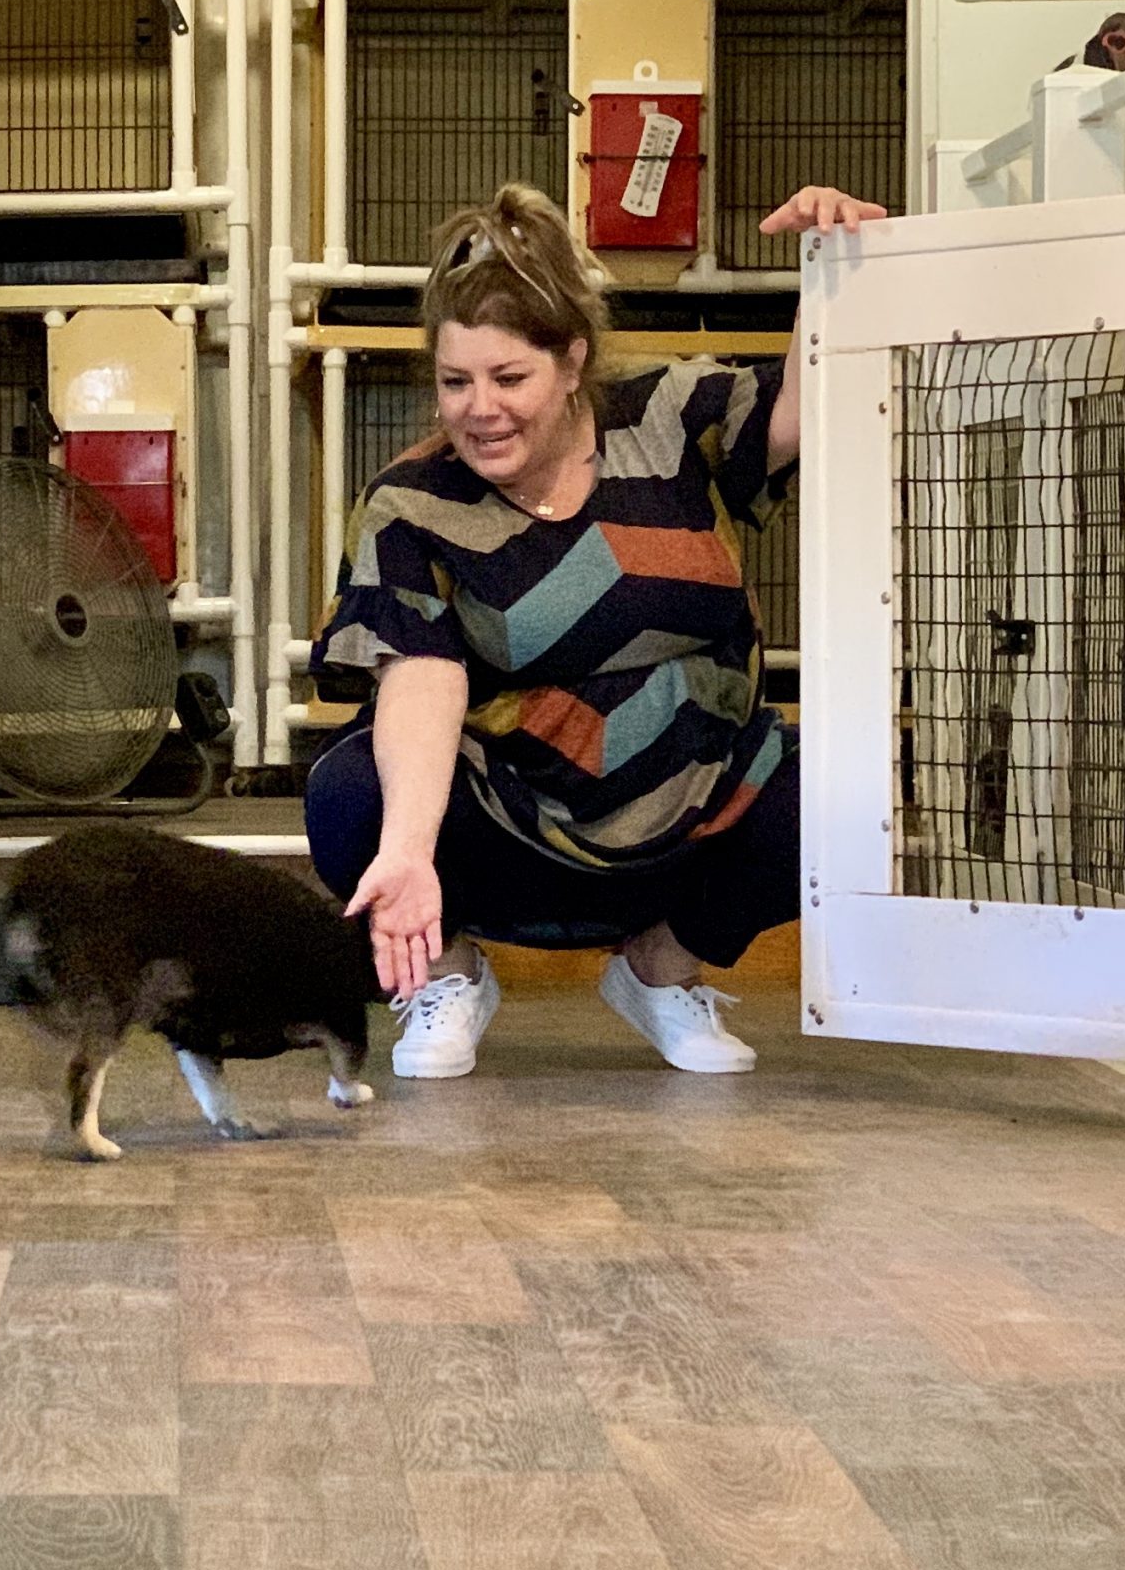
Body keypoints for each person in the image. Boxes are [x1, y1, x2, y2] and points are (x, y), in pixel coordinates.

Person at [305, 179, 882, 1080]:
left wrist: (835, 269)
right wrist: (411, 853)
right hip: (515, 824)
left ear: (572, 361)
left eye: (508, 378)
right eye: (455, 381)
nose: (478, 408)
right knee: (346, 796)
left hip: (695, 813)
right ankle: (449, 978)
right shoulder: (410, 502)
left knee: (844, 789)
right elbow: (420, 672)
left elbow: (799, 412)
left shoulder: (670, 415)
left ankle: (660, 969)